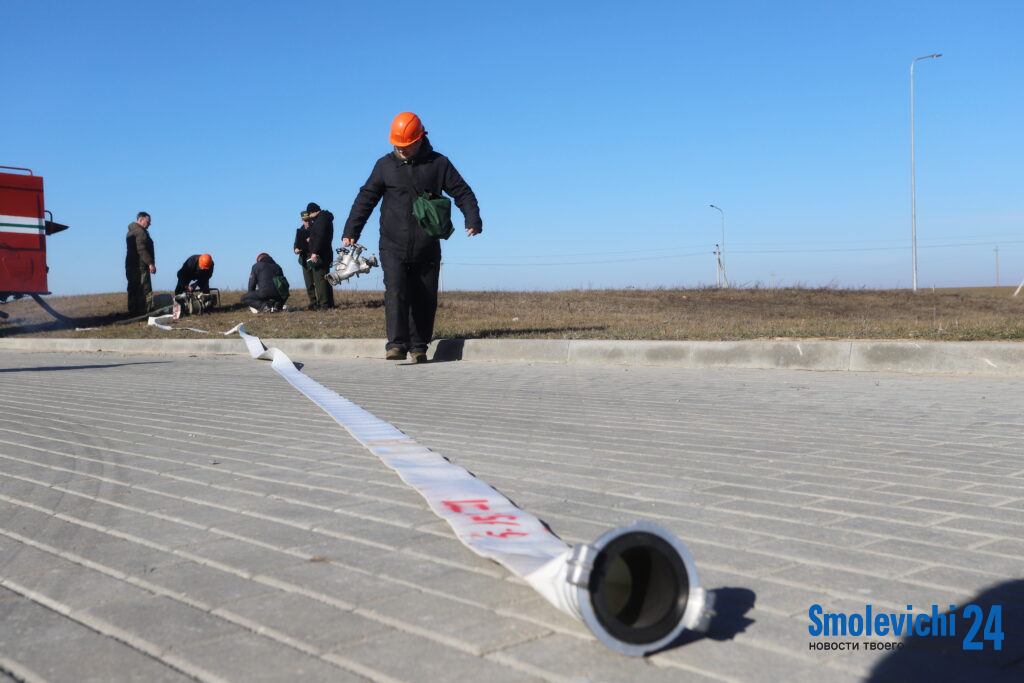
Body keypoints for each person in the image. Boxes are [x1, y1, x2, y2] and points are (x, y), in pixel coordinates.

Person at [341, 112, 482, 363]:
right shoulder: (384, 165)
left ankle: (419, 347)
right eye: (397, 145)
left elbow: (462, 191)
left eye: (406, 145)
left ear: (420, 138)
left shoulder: (439, 164)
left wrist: (472, 218)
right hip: (392, 243)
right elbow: (366, 198)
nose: (402, 150)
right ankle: (396, 344)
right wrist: (351, 230)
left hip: (427, 244)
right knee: (396, 290)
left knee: (425, 296)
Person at [305, 202, 335, 310]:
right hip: (326, 252)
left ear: (312, 212)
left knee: (320, 279)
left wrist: (314, 252)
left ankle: (324, 305)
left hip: (320, 254)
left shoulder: (320, 220)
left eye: (309, 215)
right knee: (326, 279)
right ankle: (329, 303)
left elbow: (319, 236)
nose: (310, 218)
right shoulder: (325, 218)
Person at [125, 211, 155, 316]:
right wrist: (150, 263)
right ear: (140, 220)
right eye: (148, 221)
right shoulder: (141, 232)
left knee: (133, 289)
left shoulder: (131, 232)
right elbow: (141, 249)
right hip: (140, 266)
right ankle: (147, 312)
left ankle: (133, 312)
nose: (150, 224)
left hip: (130, 266)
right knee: (145, 289)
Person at [293, 211, 317, 308]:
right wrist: (296, 250)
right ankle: (313, 302)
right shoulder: (300, 231)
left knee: (318, 281)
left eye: (308, 220)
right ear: (302, 220)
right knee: (309, 283)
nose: (307, 222)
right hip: (304, 259)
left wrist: (311, 240)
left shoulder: (316, 228)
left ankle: (320, 302)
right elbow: (295, 244)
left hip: (314, 258)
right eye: (305, 220)